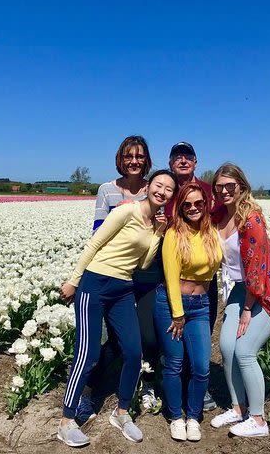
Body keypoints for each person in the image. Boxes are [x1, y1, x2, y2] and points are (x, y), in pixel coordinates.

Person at [57, 169, 178, 447]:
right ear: (149, 187)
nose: (162, 191)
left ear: (172, 195)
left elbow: (144, 263)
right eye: (158, 185)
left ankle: (121, 413)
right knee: (87, 353)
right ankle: (66, 421)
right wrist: (74, 280)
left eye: (168, 189)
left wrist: (158, 232)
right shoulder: (127, 211)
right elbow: (95, 242)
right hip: (95, 284)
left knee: (134, 352)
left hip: (124, 288)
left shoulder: (153, 224)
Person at [75, 135, 163, 423]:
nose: (134, 161)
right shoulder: (107, 191)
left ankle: (146, 384)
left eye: (139, 156)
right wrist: (78, 277)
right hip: (113, 275)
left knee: (145, 336)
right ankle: (87, 392)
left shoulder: (157, 189)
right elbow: (98, 233)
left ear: (146, 160)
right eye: (128, 156)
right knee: (105, 339)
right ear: (120, 159)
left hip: (146, 274)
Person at [209, 163, 270, 437]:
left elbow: (257, 271)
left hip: (269, 290)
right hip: (241, 288)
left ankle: (258, 421)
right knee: (226, 347)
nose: (224, 191)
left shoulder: (252, 219)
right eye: (219, 187)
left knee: (245, 350)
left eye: (230, 186)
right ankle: (238, 409)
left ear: (242, 187)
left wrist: (247, 309)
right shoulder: (219, 216)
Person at [154, 182, 222, 442]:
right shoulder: (174, 233)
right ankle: (175, 417)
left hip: (202, 304)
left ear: (206, 205)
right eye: (187, 205)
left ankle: (193, 416)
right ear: (180, 208)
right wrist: (177, 313)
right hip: (171, 305)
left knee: (202, 366)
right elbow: (171, 277)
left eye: (198, 203)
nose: (193, 208)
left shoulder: (211, 232)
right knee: (174, 363)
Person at [165, 141, 220, 412]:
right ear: (171, 163)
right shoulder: (166, 189)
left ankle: (198, 385)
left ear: (196, 162)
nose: (183, 160)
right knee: (170, 336)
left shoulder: (209, 192)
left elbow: (224, 220)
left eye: (188, 156)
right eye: (177, 156)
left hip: (203, 278)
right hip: (168, 272)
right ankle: (166, 386)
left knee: (201, 334)